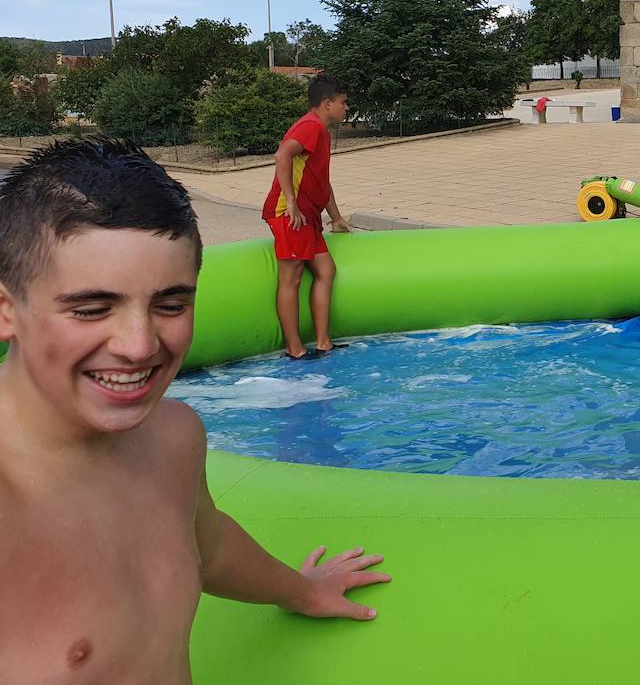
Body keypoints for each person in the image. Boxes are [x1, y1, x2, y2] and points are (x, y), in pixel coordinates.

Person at [0, 138, 390, 683]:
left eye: (171, 304)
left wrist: (304, 591)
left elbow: (207, 546)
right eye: (91, 309)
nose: (140, 344)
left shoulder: (173, 436)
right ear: (6, 311)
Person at [263, 74, 352, 360]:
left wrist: (336, 217)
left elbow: (321, 181)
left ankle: (323, 342)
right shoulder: (310, 126)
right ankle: (295, 349)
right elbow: (282, 156)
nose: (346, 108)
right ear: (327, 104)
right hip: (291, 215)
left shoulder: (321, 132)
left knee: (326, 271)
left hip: (308, 216)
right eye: (343, 102)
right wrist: (290, 202)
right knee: (292, 277)